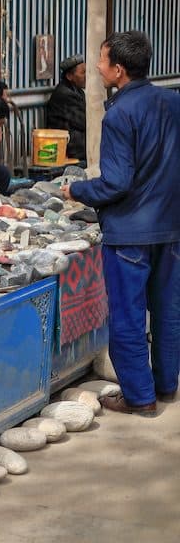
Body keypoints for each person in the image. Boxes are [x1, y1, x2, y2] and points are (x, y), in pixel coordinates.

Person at [61, 31, 180, 417]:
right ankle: (165, 385)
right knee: (167, 311)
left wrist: (76, 190)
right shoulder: (173, 102)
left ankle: (139, 397)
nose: (97, 67)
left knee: (128, 318)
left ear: (119, 69)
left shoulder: (119, 115)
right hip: (171, 226)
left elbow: (116, 182)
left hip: (130, 233)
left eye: (101, 60)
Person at [46, 54, 87, 160]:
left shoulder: (78, 91)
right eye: (83, 72)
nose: (87, 76)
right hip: (68, 144)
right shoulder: (64, 94)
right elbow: (84, 121)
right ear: (70, 76)